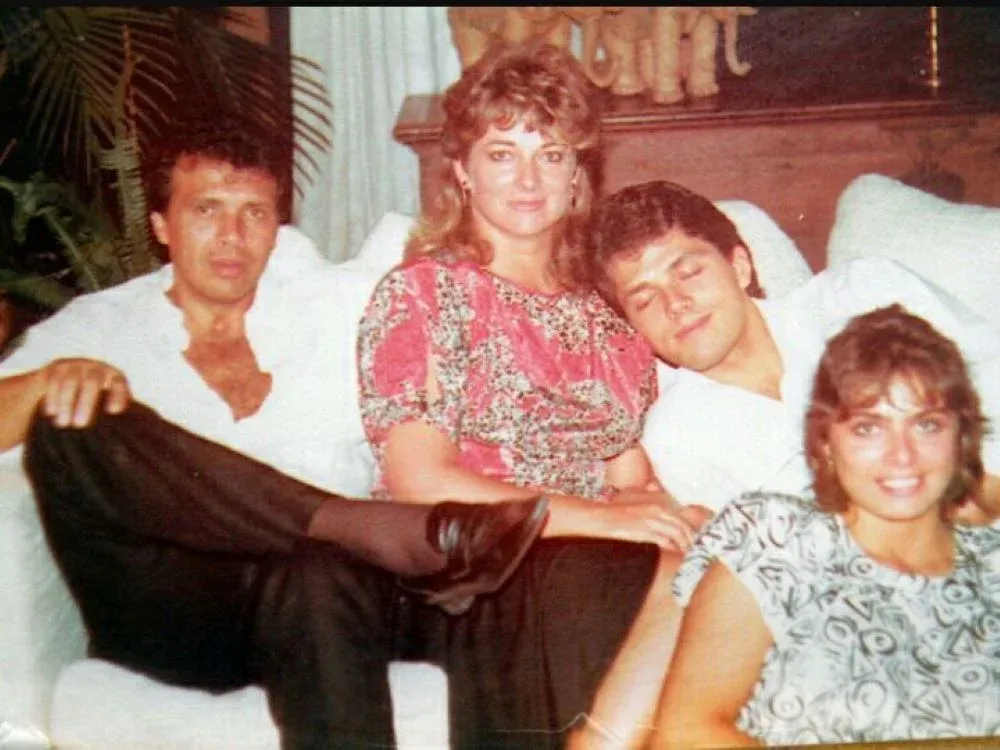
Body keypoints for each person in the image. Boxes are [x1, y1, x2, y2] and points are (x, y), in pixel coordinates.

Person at [0, 112, 550, 749]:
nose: (231, 236)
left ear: (277, 229)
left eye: (254, 213)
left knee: (319, 568)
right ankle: (369, 527)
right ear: (161, 226)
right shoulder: (100, 326)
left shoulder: (332, 310)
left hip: (312, 599)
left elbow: (474, 279)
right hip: (166, 614)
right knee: (76, 417)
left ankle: (355, 534)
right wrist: (43, 382)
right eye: (206, 210)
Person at [357, 41, 709, 750]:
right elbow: (419, 480)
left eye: (550, 155)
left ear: (578, 173)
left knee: (710, 571)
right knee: (637, 579)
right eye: (501, 154)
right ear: (462, 170)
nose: (527, 180)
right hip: (466, 565)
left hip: (585, 555)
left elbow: (628, 474)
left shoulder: (606, 311)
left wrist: (673, 513)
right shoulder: (424, 294)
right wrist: (602, 521)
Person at [651, 304, 1000, 746]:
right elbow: (685, 734)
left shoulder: (990, 567)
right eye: (868, 429)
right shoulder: (775, 542)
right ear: (826, 444)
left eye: (926, 425)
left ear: (961, 437)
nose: (902, 456)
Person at [587, 179, 1000, 521]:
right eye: (645, 300)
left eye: (690, 273)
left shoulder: (862, 294)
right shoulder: (677, 438)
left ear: (740, 267)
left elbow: (991, 374)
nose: (676, 304)